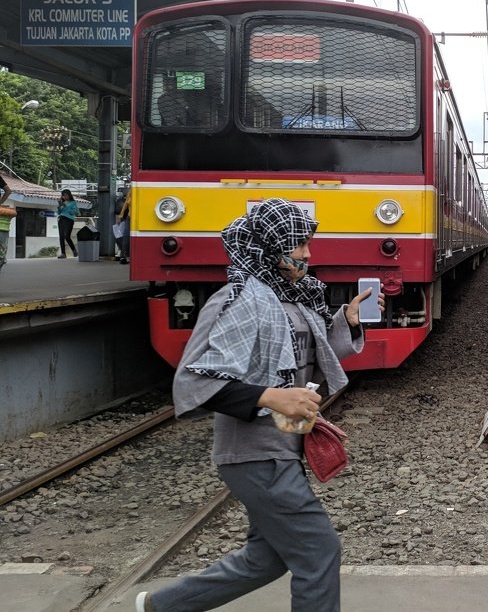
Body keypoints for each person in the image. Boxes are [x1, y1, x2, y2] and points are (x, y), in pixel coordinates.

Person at [135, 198, 383, 612]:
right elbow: (193, 381)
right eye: (298, 244)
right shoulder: (238, 299)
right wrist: (271, 396)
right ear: (270, 247)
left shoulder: (294, 296)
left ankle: (162, 606)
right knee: (319, 552)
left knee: (265, 559)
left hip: (281, 450)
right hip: (254, 455)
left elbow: (309, 357)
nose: (307, 253)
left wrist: (347, 323)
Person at [57, 189, 78, 258]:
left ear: (69, 195)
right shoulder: (63, 202)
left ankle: (74, 250)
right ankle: (63, 253)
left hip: (69, 220)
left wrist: (65, 206)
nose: (64, 197)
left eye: (66, 195)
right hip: (61, 219)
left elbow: (72, 212)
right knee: (61, 236)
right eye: (63, 196)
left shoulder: (73, 203)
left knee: (67, 236)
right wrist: (59, 206)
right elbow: (59, 212)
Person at [115, 186, 131, 264]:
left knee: (127, 236)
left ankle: (126, 255)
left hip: (137, 217)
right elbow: (126, 204)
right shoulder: (131, 192)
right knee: (126, 236)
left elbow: (126, 204)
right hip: (130, 217)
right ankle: (124, 256)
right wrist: (121, 215)